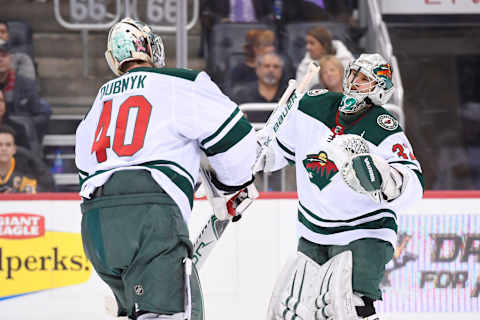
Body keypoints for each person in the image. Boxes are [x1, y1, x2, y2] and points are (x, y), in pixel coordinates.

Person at [75, 18, 257, 320]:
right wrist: (232, 185)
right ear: (150, 47)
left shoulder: (98, 102)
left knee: (133, 313)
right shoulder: (178, 83)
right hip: (150, 221)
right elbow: (236, 134)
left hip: (97, 228)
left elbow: (89, 171)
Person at [257, 53, 424, 319]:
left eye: (365, 79)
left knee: (354, 308)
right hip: (314, 232)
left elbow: (414, 185)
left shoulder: (385, 128)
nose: (355, 82)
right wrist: (258, 154)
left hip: (366, 233)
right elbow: (280, 149)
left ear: (381, 90)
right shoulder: (313, 104)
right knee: (307, 311)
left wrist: (384, 179)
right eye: (354, 74)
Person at [0, 41, 50, 142]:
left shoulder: (27, 84)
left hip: (19, 137)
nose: (0, 59)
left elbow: (41, 115)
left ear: (10, 58)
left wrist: (27, 125)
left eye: (3, 55)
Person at [296, 25, 354, 90]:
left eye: (312, 43)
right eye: (307, 43)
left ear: (324, 45)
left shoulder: (347, 61)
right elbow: (299, 93)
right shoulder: (304, 66)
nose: (308, 47)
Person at [0, 124, 54, 193]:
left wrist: (22, 193)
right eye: (0, 145)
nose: (4, 149)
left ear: (14, 149)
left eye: (8, 145)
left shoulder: (29, 167)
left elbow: (47, 188)